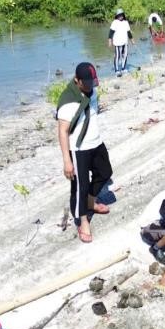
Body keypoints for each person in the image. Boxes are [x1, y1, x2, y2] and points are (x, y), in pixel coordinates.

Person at [57, 62, 113, 243]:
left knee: (105, 173)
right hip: (78, 149)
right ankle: (83, 220)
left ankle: (91, 202)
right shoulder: (68, 101)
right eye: (87, 83)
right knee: (80, 187)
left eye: (92, 82)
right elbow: (63, 131)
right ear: (77, 80)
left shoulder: (93, 91)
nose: (91, 86)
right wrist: (67, 160)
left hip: (96, 142)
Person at [108, 9, 134, 76]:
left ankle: (123, 68)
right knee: (117, 56)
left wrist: (132, 40)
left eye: (121, 15)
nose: (120, 16)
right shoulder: (115, 22)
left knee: (125, 55)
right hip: (117, 43)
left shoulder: (126, 22)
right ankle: (116, 70)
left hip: (125, 42)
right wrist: (110, 41)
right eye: (119, 15)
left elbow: (129, 32)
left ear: (123, 15)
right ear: (117, 16)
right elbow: (111, 32)